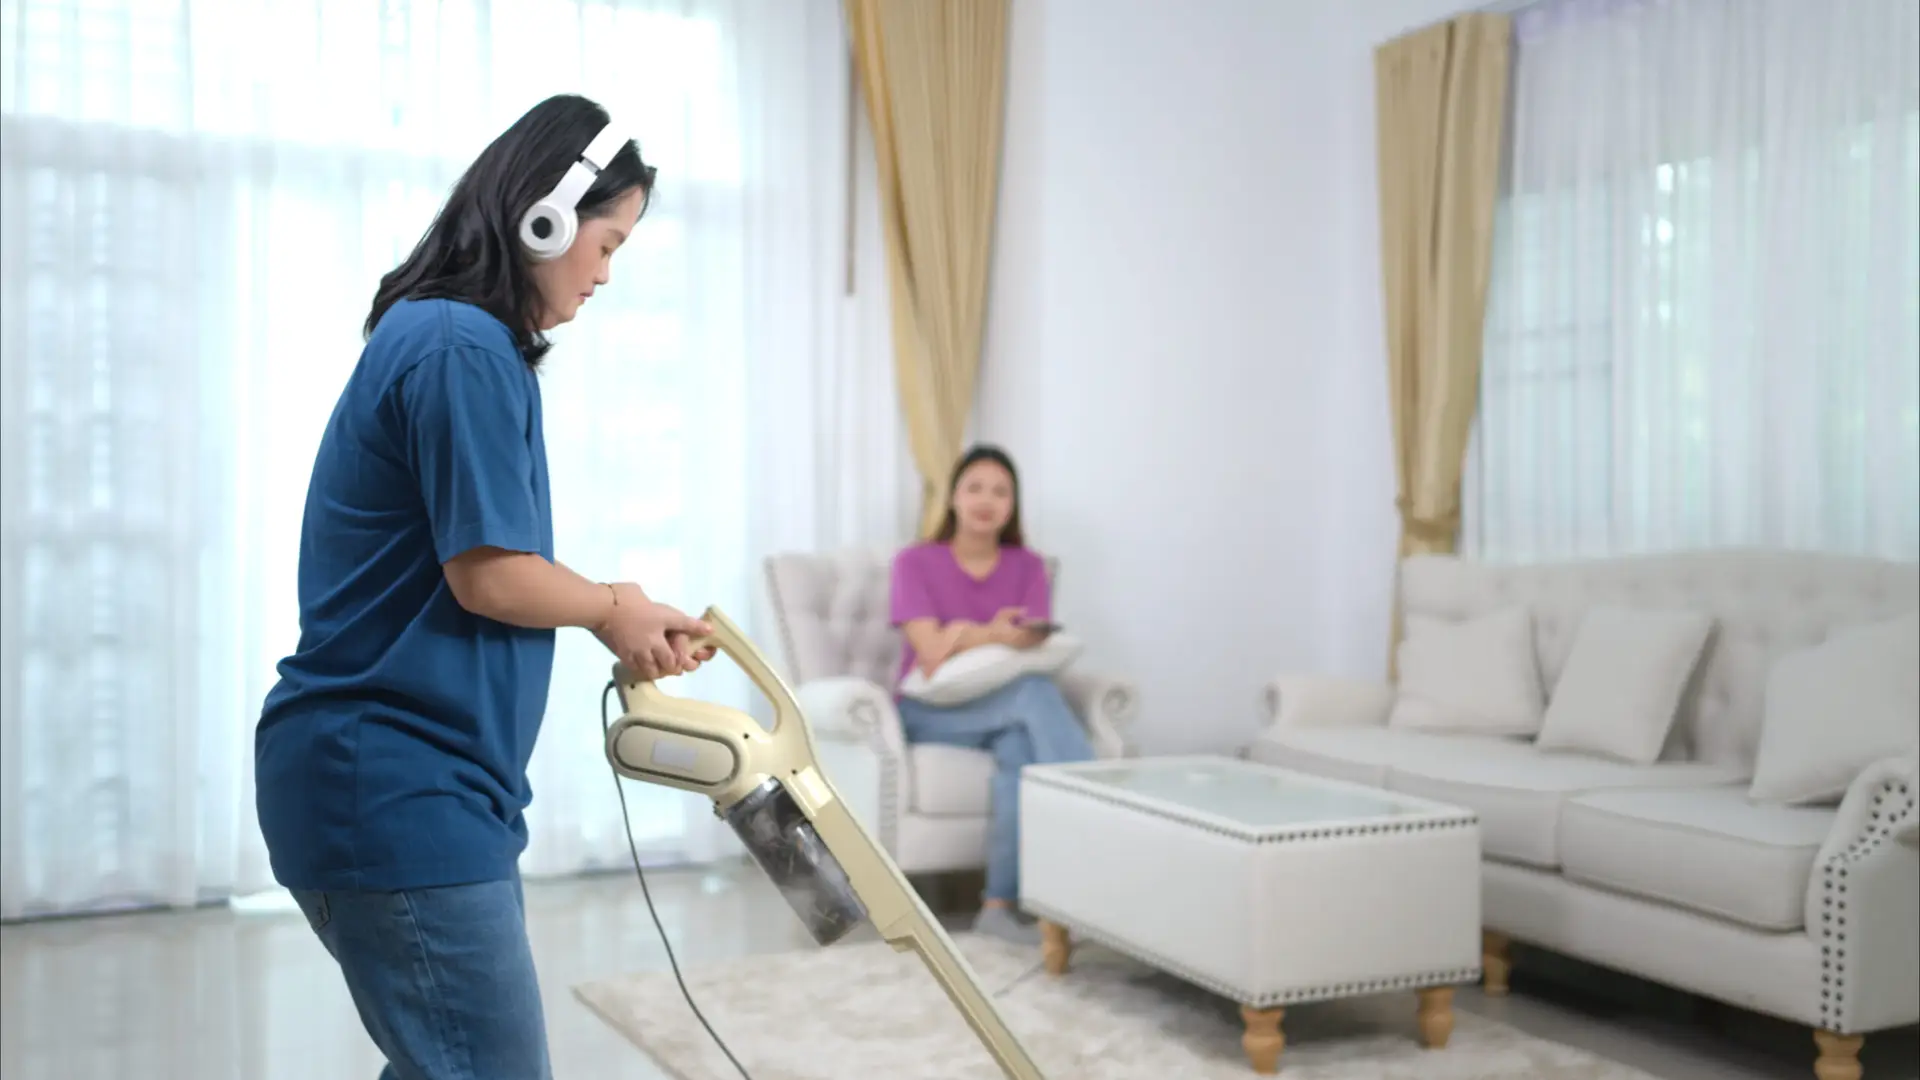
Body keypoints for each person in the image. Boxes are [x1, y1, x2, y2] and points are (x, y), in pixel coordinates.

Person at [253, 93, 712, 1080]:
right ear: (542, 215)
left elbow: (493, 569)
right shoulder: (461, 346)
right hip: (392, 783)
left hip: (415, 784)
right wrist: (608, 606)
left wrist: (617, 612)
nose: (605, 274)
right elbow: (490, 578)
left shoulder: (455, 343)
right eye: (608, 242)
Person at [887, 444, 1096, 946]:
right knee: (1034, 693)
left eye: (1000, 491)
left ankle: (997, 906)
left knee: (1021, 753)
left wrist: (961, 630)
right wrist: (988, 632)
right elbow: (931, 653)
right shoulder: (915, 562)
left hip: (1001, 709)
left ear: (1013, 506)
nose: (987, 500)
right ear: (953, 498)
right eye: (975, 487)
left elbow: (1030, 642)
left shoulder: (1028, 567)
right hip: (928, 711)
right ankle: (1099, 828)